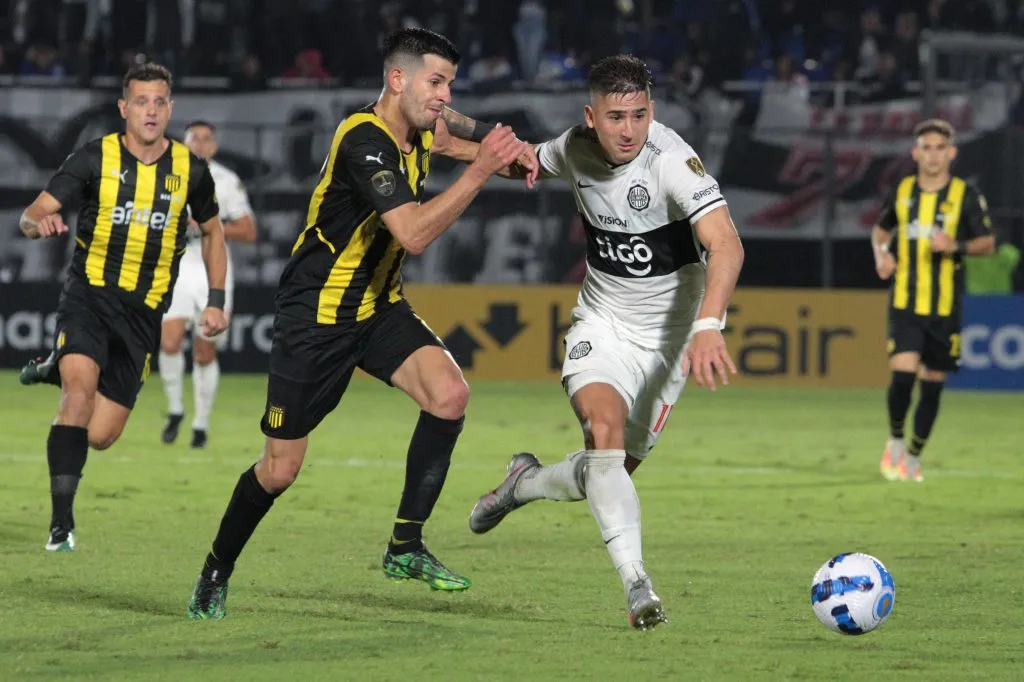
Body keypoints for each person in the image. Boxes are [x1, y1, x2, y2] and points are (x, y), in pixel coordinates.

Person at [185, 28, 531, 620]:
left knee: (449, 395)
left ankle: (405, 545)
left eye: (450, 82)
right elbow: (415, 234)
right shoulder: (363, 140)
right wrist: (482, 168)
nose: (445, 94)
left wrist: (523, 155)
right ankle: (216, 568)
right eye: (436, 82)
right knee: (279, 469)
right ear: (397, 80)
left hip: (376, 306)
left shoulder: (421, 127)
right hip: (315, 317)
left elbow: (467, 140)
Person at [440, 54, 744, 630]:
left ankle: (523, 483)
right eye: (616, 118)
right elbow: (530, 163)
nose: (629, 130)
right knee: (601, 438)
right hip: (602, 324)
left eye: (639, 115)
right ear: (591, 116)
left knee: (614, 470)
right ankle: (637, 585)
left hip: (670, 343)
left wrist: (708, 326)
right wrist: (457, 144)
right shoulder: (576, 145)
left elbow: (725, 244)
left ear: (651, 111)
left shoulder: (673, 161)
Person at [18, 63, 229, 552]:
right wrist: (39, 224)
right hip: (88, 297)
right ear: (124, 108)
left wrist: (216, 302)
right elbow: (33, 214)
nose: (150, 111)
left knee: (100, 435)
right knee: (77, 394)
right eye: (141, 102)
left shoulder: (190, 170)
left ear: (169, 109)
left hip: (143, 314)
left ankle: (55, 367)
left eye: (159, 102)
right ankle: (61, 526)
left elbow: (214, 232)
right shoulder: (94, 158)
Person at [872, 118, 995, 482]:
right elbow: (881, 229)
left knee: (934, 381)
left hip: (945, 307)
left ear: (951, 153)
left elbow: (987, 243)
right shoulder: (903, 191)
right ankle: (895, 440)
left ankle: (913, 454)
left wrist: (954, 245)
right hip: (905, 302)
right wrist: (882, 254)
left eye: (940, 147)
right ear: (915, 153)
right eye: (926, 147)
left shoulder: (965, 196)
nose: (933, 155)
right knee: (903, 371)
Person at [160, 121, 257, 449]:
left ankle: (200, 424)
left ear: (214, 146)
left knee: (204, 351)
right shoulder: (166, 175)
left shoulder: (227, 181)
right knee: (169, 342)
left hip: (211, 269)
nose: (200, 144)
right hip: (176, 269)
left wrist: (209, 226)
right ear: (183, 144)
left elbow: (248, 231)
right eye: (193, 139)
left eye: (206, 139)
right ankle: (175, 410)